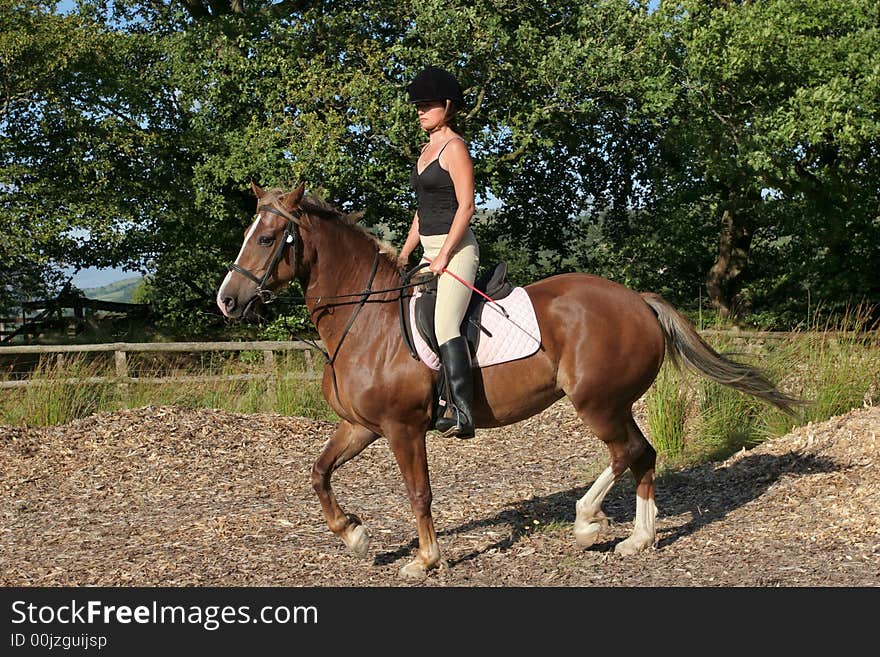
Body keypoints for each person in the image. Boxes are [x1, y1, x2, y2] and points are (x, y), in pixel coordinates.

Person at [397, 66, 479, 439]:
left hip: (457, 250)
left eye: (427, 104)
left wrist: (445, 255)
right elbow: (421, 212)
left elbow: (466, 207)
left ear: (448, 106)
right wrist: (403, 254)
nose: (420, 110)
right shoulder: (425, 151)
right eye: (418, 105)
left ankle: (463, 412)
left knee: (446, 324)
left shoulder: (454, 148)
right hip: (430, 250)